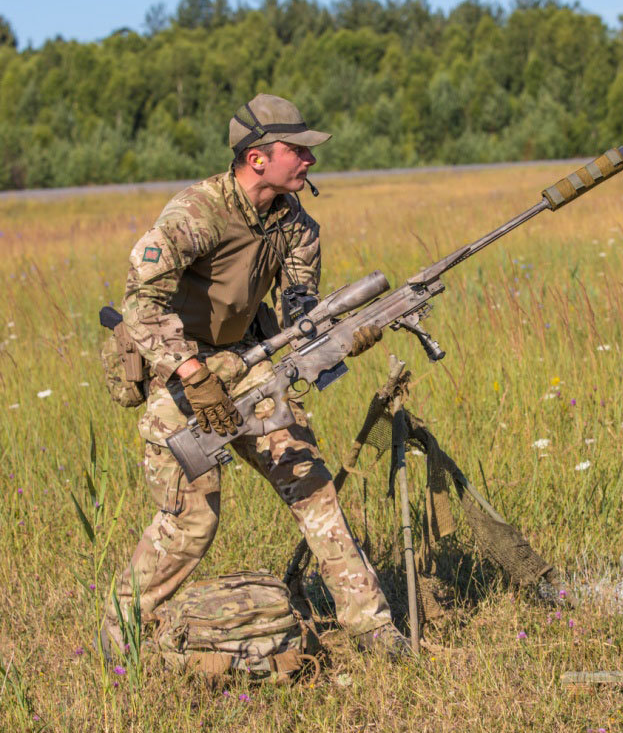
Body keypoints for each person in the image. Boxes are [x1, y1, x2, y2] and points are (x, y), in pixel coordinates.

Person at [101, 93, 407, 660]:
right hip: (180, 369)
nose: (310, 161)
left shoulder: (297, 226)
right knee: (193, 519)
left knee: (312, 488)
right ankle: (119, 636)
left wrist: (351, 335)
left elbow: (300, 316)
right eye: (299, 151)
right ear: (258, 158)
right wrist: (193, 375)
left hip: (249, 364)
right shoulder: (195, 213)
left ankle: (375, 630)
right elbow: (140, 303)